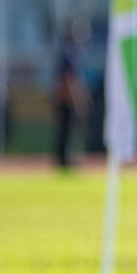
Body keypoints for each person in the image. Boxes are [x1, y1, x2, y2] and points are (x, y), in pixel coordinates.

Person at [52, 23, 90, 171]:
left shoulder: (71, 55)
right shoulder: (68, 55)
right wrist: (76, 98)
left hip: (66, 99)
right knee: (65, 131)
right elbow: (67, 79)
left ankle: (65, 159)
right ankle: (62, 160)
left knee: (68, 132)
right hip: (65, 100)